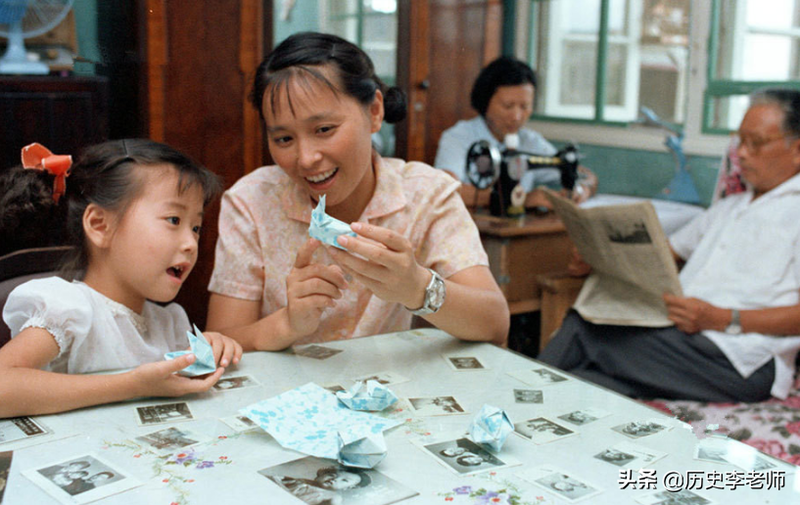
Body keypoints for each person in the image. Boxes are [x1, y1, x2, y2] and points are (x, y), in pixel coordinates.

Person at [206, 32, 509, 350]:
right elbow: (223, 341)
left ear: (374, 111)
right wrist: (287, 324)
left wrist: (417, 287)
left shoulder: (426, 194)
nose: (306, 158)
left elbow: (495, 324)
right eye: (284, 139)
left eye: (324, 130)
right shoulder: (251, 202)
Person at [539, 88, 800, 403]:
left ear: (797, 149)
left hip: (744, 358)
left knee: (588, 328)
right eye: (739, 142)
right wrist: (598, 257)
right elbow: (660, 254)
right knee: (582, 383)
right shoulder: (730, 207)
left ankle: (506, 403)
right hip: (680, 340)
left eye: (755, 143)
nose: (741, 154)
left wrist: (723, 318)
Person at [0, 139, 243, 418]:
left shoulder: (170, 323)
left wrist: (212, 348)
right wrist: (131, 385)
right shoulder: (69, 309)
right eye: (174, 220)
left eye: (196, 227)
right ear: (99, 225)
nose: (191, 243)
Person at [434, 56, 598, 208]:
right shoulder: (458, 137)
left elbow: (585, 175)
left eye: (524, 106)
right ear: (485, 102)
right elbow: (447, 191)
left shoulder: (530, 141)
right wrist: (522, 199)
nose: (517, 116)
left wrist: (583, 189)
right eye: (508, 106)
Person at [268, 466, 371, 505]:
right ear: (321, 474)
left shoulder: (333, 497)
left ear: (348, 488)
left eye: (344, 480)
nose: (334, 479)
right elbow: (277, 480)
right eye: (331, 475)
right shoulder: (303, 481)